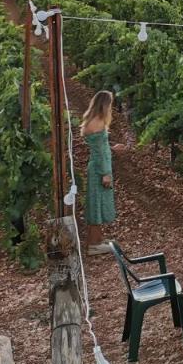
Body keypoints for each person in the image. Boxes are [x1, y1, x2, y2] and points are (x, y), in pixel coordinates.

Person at [81, 90, 116, 255]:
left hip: (97, 166)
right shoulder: (98, 123)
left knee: (97, 202)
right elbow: (100, 152)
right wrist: (105, 173)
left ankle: (96, 240)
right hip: (99, 169)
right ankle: (93, 245)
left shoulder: (92, 120)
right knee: (96, 205)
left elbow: (100, 147)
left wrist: (113, 148)